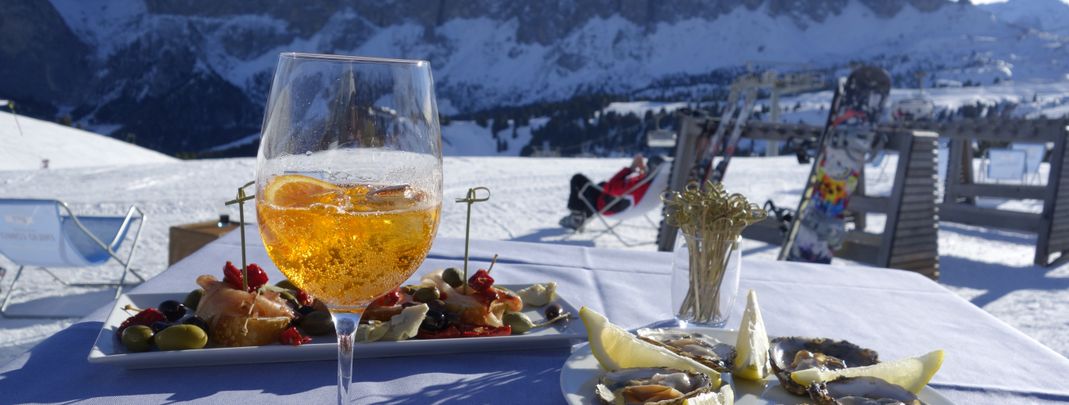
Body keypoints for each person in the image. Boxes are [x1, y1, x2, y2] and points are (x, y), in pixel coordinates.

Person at [560, 154, 666, 230]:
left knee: (578, 179)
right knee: (598, 185)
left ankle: (577, 217)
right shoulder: (649, 186)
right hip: (616, 204)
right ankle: (585, 212)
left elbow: (609, 187)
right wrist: (643, 175)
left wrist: (631, 168)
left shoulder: (640, 185)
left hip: (604, 204)